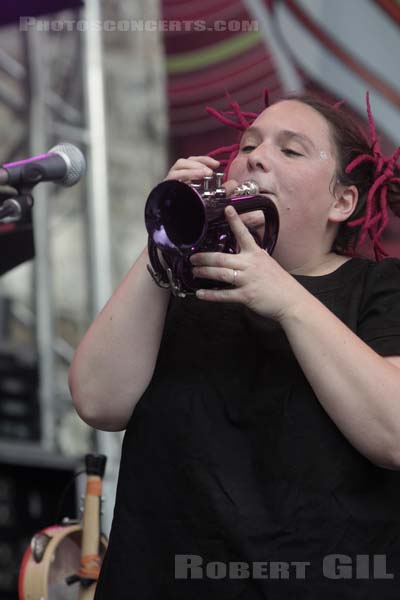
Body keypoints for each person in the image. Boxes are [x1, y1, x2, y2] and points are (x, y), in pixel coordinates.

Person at [69, 91, 400, 599]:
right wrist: (166, 241)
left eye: (290, 151)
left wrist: (286, 299)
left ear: (342, 201)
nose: (255, 156)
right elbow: (97, 401)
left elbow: (393, 433)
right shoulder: (183, 281)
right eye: (247, 144)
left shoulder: (379, 287)